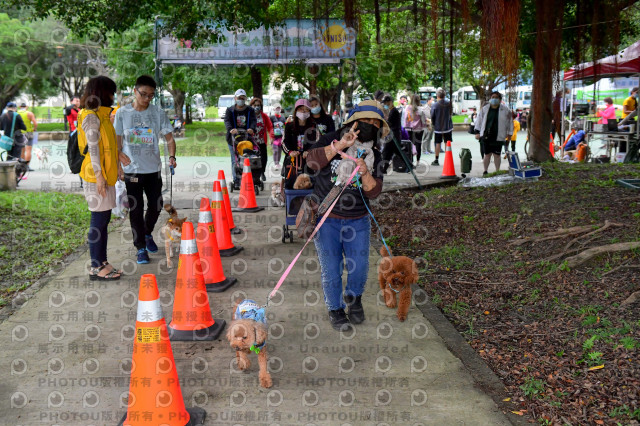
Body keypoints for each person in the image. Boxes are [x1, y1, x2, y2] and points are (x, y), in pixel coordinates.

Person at [305, 100, 386, 331]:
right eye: (365, 120)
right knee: (331, 270)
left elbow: (374, 192)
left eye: (375, 123)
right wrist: (340, 145)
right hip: (327, 219)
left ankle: (354, 299)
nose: (370, 125)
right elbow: (311, 163)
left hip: (358, 220)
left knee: (359, 267)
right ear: (353, 121)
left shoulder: (375, 154)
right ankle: (335, 309)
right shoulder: (330, 138)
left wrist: (365, 172)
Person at [114, 75, 176, 265]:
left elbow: (169, 138)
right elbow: (117, 141)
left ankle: (147, 233)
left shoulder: (158, 113)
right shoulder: (122, 113)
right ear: (135, 91)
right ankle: (140, 247)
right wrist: (118, 160)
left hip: (153, 169)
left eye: (151, 95)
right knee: (136, 209)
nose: (147, 98)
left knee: (156, 205)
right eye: (143, 94)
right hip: (132, 169)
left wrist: (172, 156)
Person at [77, 76, 122, 280]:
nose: (113, 96)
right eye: (111, 92)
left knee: (104, 219)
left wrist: (119, 162)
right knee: (98, 219)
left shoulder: (102, 116)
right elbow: (93, 149)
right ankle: (96, 266)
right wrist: (99, 177)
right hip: (96, 176)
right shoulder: (91, 117)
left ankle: (102, 261)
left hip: (105, 175)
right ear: (103, 92)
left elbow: (108, 145)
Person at [474, 91, 513, 175]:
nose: (494, 99)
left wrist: (510, 134)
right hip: (486, 135)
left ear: (500, 99)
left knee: (497, 155)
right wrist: (477, 132)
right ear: (490, 99)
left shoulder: (506, 110)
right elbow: (479, 121)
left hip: (499, 135)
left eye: (496, 97)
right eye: (493, 97)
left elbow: (510, 123)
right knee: (487, 154)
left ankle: (497, 171)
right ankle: (485, 171)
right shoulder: (484, 109)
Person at [224, 89, 256, 187]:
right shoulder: (230, 110)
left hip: (246, 138)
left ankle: (249, 178)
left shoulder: (250, 110)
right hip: (233, 139)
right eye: (239, 98)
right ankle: (236, 180)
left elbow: (253, 120)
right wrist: (231, 129)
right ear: (235, 98)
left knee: (248, 158)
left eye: (242, 98)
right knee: (235, 160)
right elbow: (227, 121)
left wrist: (252, 128)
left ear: (245, 99)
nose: (240, 100)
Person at [282, 98, 316, 188]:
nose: (303, 112)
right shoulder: (289, 126)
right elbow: (284, 142)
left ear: (309, 112)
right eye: (301, 109)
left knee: (309, 185)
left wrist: (309, 151)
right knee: (291, 185)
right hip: (292, 161)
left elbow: (318, 142)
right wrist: (290, 152)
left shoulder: (313, 126)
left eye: (306, 109)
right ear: (296, 111)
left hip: (308, 161)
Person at [249, 97, 274, 181]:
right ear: (251, 106)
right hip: (252, 142)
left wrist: (271, 137)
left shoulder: (264, 116)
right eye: (255, 105)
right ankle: (253, 175)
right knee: (253, 158)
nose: (257, 107)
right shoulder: (249, 115)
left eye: (258, 105)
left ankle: (262, 172)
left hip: (262, 141)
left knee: (264, 158)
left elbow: (270, 127)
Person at [402, 94, 428, 164]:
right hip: (419, 130)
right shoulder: (420, 109)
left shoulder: (407, 108)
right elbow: (423, 120)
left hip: (409, 129)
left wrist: (405, 126)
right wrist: (425, 126)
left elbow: (405, 118)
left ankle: (411, 160)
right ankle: (418, 161)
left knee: (410, 144)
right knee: (418, 145)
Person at [430, 89, 454, 166]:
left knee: (437, 143)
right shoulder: (449, 104)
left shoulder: (434, 105)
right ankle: (448, 159)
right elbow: (451, 113)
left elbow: (432, 116)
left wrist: (433, 124)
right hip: (447, 126)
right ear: (444, 95)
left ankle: (436, 159)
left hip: (438, 127)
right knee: (447, 142)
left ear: (437, 96)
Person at [380, 93, 403, 173]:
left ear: (389, 102)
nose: (385, 104)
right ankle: (384, 169)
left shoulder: (394, 111)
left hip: (393, 136)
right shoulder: (392, 111)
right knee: (389, 153)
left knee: (387, 152)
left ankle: (409, 165)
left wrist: (383, 121)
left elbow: (389, 123)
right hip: (393, 135)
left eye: (386, 103)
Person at [17, 103, 37, 167]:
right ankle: (27, 166)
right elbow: (35, 123)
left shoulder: (17, 113)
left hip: (20, 133)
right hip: (29, 132)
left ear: (19, 107)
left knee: (22, 150)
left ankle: (22, 165)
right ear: (26, 107)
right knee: (28, 150)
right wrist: (34, 129)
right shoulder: (29, 113)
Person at [270, 103, 286, 169]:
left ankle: (278, 163)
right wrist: (271, 136)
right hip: (274, 137)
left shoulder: (282, 117)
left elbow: (286, 124)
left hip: (281, 137)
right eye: (276, 108)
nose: (278, 109)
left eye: (279, 108)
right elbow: (269, 127)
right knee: (275, 150)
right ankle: (275, 163)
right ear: (274, 109)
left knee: (279, 151)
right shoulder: (272, 117)